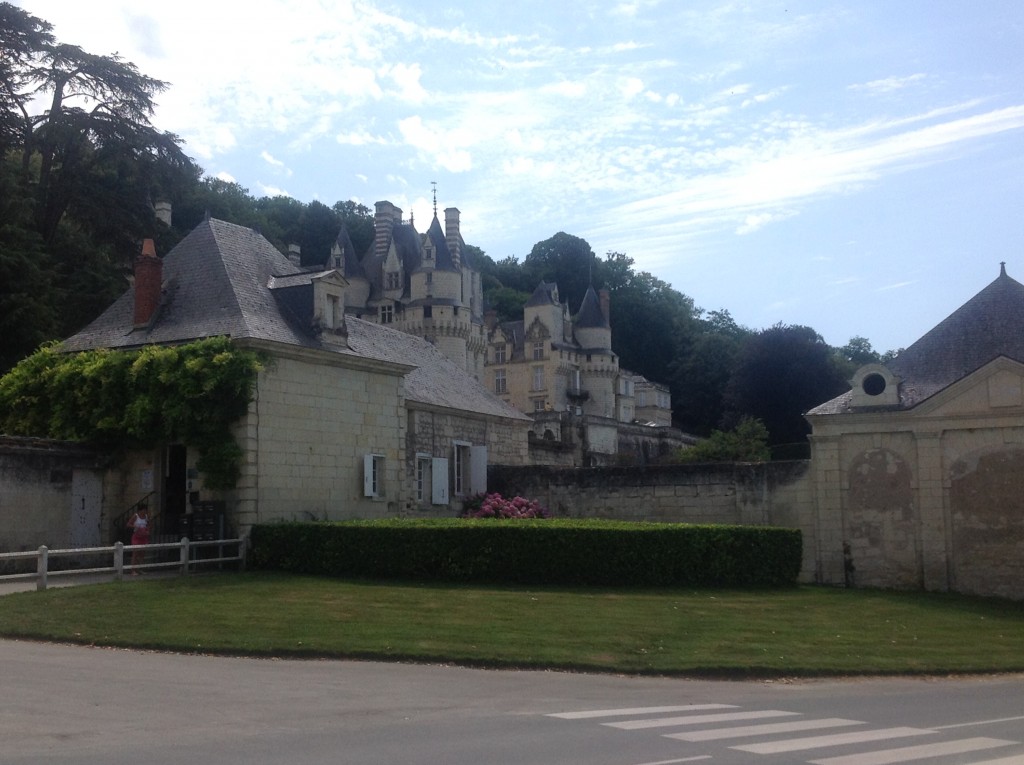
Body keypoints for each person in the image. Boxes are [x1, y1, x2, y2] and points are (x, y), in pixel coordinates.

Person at [127, 505, 151, 575]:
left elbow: (149, 524)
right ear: (140, 510)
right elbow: (128, 524)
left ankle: (140, 568)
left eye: (145, 510)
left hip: (143, 536)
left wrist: (148, 530)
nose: (145, 512)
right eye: (143, 510)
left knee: (142, 554)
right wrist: (135, 526)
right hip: (137, 536)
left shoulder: (146, 517)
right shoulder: (136, 516)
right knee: (135, 553)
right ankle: (133, 570)